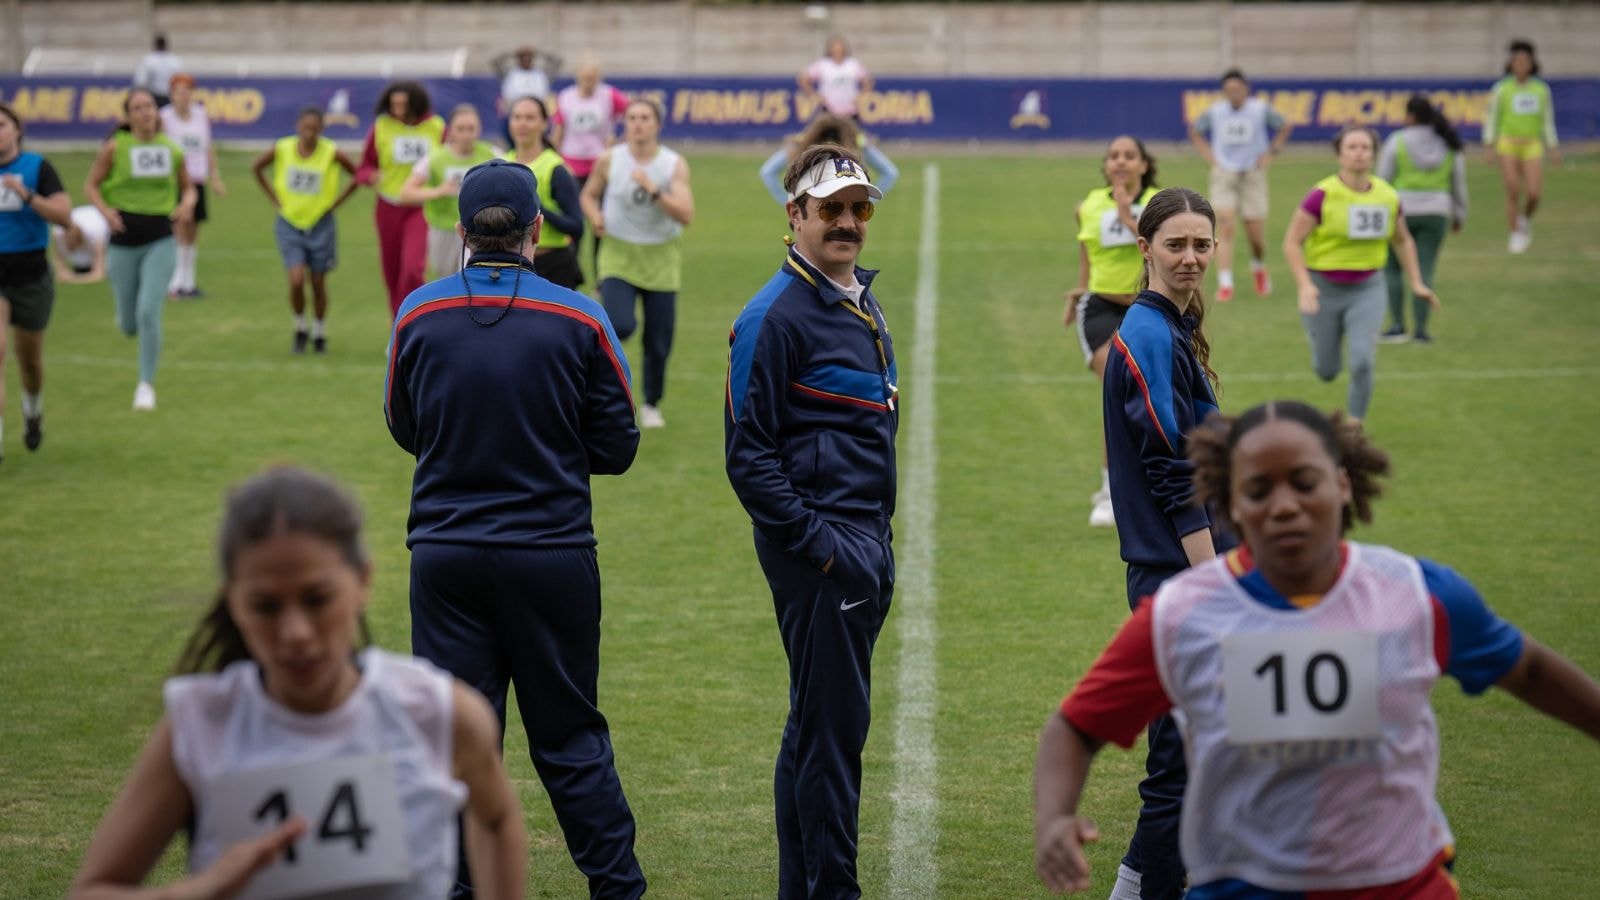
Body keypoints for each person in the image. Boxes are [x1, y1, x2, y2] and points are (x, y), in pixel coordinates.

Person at [1034, 400, 1600, 897]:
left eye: (1304, 482)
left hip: (1402, 886)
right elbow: (1076, 726)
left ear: (1344, 485)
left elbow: (1526, 671)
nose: (1284, 506)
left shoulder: (1417, 595)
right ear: (1230, 504)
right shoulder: (1182, 616)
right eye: (1258, 489)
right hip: (1242, 888)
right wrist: (1054, 817)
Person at [68, 466, 528, 900]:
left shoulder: (439, 713)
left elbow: (497, 818)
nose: (296, 633)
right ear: (233, 603)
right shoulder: (197, 726)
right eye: (266, 606)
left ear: (363, 581)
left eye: (317, 598)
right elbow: (93, 888)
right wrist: (198, 891)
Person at [387, 159, 646, 899]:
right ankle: (617, 888)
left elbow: (405, 427)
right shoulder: (580, 314)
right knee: (569, 740)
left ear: (463, 234)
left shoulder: (418, 312)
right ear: (538, 228)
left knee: (458, 747)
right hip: (552, 554)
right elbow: (619, 446)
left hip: (445, 556)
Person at [725, 142, 894, 899]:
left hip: (858, 541)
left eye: (858, 209)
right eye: (831, 210)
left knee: (815, 729)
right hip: (825, 553)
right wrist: (825, 550)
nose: (847, 223)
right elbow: (748, 457)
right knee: (832, 745)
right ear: (794, 215)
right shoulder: (772, 317)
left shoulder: (857, 296)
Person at [1099, 186, 1230, 900]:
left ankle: (1137, 885)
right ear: (1144, 247)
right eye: (1175, 245)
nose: (1189, 258)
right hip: (1177, 577)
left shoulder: (1171, 328)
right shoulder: (1148, 334)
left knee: (1196, 751)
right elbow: (1170, 468)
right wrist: (1215, 582)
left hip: (1186, 572)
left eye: (1201, 245)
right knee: (1182, 760)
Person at [1282, 126, 1438, 424]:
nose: (1359, 153)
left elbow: (1402, 239)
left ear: (1374, 154)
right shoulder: (1321, 195)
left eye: (1365, 147)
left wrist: (1417, 282)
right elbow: (1291, 242)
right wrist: (1304, 285)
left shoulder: (1388, 196)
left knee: (1362, 360)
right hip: (1322, 288)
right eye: (1352, 147)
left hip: (1367, 289)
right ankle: (1323, 340)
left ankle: (1355, 425)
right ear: (1340, 154)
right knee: (1326, 371)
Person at [1063, 136, 1159, 529]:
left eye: (1129, 156)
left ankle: (1150, 481)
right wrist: (1078, 289)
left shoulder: (1160, 204)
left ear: (1143, 164)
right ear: (1106, 166)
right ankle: (1109, 492)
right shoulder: (1088, 206)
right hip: (1100, 309)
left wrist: (1127, 215)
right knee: (1119, 389)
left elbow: (1161, 250)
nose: (1120, 162)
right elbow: (1089, 255)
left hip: (1148, 307)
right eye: (1114, 156)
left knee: (1153, 399)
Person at [581, 99, 693, 429]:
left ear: (657, 124)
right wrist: (595, 215)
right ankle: (599, 389)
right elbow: (588, 195)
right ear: (624, 123)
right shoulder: (609, 160)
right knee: (622, 324)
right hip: (618, 256)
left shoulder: (673, 164)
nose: (638, 123)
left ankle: (651, 404)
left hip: (661, 259)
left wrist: (655, 191)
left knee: (658, 343)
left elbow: (686, 214)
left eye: (645, 118)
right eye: (631, 118)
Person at [84, 87, 196, 412]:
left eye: (149, 106)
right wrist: (106, 212)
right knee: (129, 324)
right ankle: (127, 319)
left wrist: (186, 205)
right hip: (122, 240)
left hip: (160, 238)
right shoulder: (115, 148)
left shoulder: (171, 150)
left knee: (149, 311)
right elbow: (91, 185)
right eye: (138, 108)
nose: (146, 112)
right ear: (128, 116)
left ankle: (145, 385)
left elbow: (188, 188)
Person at [252, 106, 360, 355]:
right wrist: (274, 199)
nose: (309, 133)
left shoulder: (331, 152)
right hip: (290, 223)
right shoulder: (283, 148)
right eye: (305, 127)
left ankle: (320, 332)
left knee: (318, 282)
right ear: (298, 126)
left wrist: (335, 204)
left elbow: (357, 176)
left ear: (321, 129)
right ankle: (300, 327)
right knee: (297, 279)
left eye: (315, 128)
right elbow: (257, 167)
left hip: (320, 223)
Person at [0, 102, 74, 462]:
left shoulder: (37, 168)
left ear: (16, 130)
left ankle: (32, 412)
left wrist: (26, 195)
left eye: (1, 125)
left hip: (30, 274)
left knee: (29, 361)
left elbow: (64, 217)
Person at [1188, 69, 1293, 302]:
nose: (1233, 93)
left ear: (1246, 89)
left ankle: (1258, 267)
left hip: (1252, 173)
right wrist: (1210, 157)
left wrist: (1271, 153)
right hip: (1224, 173)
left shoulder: (1259, 109)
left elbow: (1284, 126)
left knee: (1255, 233)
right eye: (1228, 89)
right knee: (1224, 224)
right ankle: (1226, 282)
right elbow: (1195, 131)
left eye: (1237, 88)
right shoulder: (1215, 112)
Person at [1377, 96, 1467, 345]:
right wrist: (1460, 214)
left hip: (1401, 209)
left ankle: (1397, 325)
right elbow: (1458, 183)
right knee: (1424, 268)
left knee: (1392, 268)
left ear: (1410, 116)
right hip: (1437, 211)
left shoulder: (1398, 141)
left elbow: (1382, 179)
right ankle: (1421, 331)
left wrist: (1378, 209)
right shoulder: (1449, 143)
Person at [356, 81, 443, 319]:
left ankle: (415, 320)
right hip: (388, 207)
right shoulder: (381, 126)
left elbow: (448, 159)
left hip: (421, 207)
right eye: (393, 104)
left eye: (402, 105)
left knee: (413, 270)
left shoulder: (436, 127)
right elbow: (364, 166)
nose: (397, 109)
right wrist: (369, 176)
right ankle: (398, 329)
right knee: (392, 274)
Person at [399, 103, 499, 280]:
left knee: (472, 278)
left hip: (479, 231)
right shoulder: (435, 158)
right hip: (444, 230)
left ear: (479, 129)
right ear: (451, 131)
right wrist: (438, 191)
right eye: (461, 129)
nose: (467, 134)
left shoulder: (492, 155)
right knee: (446, 279)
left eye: (471, 129)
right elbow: (406, 193)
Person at [501, 96, 586, 290]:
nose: (522, 123)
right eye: (517, 117)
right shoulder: (502, 164)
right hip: (511, 264)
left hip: (553, 265)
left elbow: (577, 226)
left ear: (544, 124)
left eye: (530, 118)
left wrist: (536, 206)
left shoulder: (555, 168)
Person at [1485, 39, 1561, 254]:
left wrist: (1553, 146)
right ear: (1511, 64)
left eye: (1524, 62)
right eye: (1516, 62)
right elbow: (1493, 117)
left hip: (1532, 145)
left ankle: (1525, 219)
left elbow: (1547, 119)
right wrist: (1489, 144)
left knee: (1534, 193)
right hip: (1508, 143)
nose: (1520, 66)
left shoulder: (1540, 90)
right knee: (1512, 189)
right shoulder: (1502, 89)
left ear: (1531, 64)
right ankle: (1515, 233)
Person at [159, 73, 225, 299]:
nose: (183, 95)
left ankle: (189, 281)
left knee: (194, 230)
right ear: (172, 94)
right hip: (175, 180)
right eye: (178, 91)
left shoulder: (200, 115)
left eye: (187, 90)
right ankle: (175, 282)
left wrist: (215, 176)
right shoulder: (164, 118)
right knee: (179, 228)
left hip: (197, 179)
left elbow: (207, 146)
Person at [758, 113, 900, 206]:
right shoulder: (856, 146)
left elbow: (767, 171)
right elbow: (890, 172)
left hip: (811, 213)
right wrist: (866, 203)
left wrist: (787, 202)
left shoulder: (803, 146)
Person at [552, 55, 629, 189]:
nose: (588, 82)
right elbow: (558, 132)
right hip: (571, 161)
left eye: (592, 78)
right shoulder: (566, 97)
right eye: (585, 77)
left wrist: (620, 143)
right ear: (578, 76)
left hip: (600, 160)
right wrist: (557, 159)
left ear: (598, 78)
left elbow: (632, 112)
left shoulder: (609, 95)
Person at [798, 36, 873, 119]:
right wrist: (813, 95)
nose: (838, 52)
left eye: (840, 49)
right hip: (829, 109)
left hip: (850, 110)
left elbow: (867, 80)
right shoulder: (823, 64)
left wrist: (862, 96)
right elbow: (803, 78)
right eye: (836, 49)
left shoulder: (852, 64)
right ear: (830, 50)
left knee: (853, 131)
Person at [52, 205, 110, 285]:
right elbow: (58, 258)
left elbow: (99, 274)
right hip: (87, 219)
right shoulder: (58, 232)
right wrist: (61, 270)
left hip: (103, 222)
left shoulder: (97, 234)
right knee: (81, 266)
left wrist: (72, 278)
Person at [132, 33, 183, 108]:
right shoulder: (175, 60)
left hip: (154, 96)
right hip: (170, 97)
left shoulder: (148, 60)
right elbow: (181, 80)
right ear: (166, 45)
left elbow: (141, 81)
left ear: (155, 45)